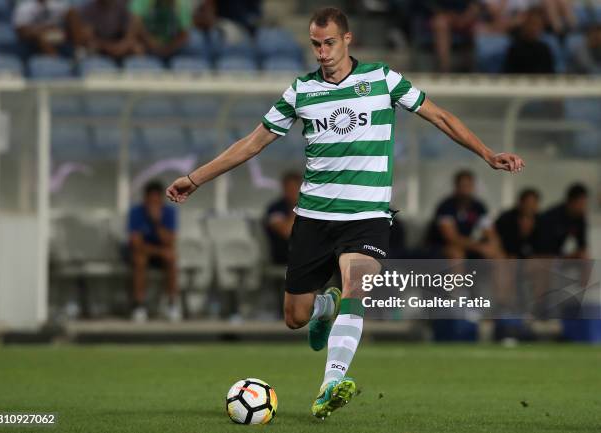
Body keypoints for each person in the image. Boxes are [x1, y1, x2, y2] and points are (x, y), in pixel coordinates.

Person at [166, 7, 524, 419]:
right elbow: (252, 143)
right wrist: (195, 178)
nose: (321, 52)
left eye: (329, 43)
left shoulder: (382, 79)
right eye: (315, 44)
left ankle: (330, 383)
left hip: (367, 214)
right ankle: (324, 306)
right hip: (314, 217)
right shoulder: (300, 91)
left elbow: (439, 116)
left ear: (347, 39)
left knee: (358, 285)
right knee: (295, 317)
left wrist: (487, 153)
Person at [128, 180, 179, 322]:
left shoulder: (169, 212)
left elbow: (169, 241)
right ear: (145, 199)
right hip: (142, 253)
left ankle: (172, 304)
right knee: (140, 260)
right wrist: (158, 251)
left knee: (171, 258)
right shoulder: (136, 212)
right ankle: (139, 306)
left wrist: (156, 222)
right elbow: (136, 243)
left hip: (160, 253)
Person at [427, 170, 504, 260]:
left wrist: (494, 246)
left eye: (468, 186)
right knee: (456, 254)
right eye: (462, 186)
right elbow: (451, 238)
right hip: (441, 246)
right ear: (456, 187)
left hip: (467, 245)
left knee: (498, 255)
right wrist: (480, 247)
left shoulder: (478, 206)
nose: (465, 190)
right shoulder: (445, 206)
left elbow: (490, 232)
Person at [71, 0, 143, 60]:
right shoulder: (87, 10)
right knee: (85, 50)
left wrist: (123, 46)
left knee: (137, 48)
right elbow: (87, 39)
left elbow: (129, 35)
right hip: (99, 49)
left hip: (119, 47)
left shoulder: (121, 8)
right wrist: (110, 48)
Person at [534, 183, 589, 258]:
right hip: (541, 255)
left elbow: (582, 245)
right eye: (581, 204)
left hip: (558, 256)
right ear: (571, 202)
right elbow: (543, 249)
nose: (583, 207)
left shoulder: (579, 217)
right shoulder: (551, 217)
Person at [264, 171, 302, 265]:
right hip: (285, 256)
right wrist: (298, 205)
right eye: (290, 188)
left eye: (296, 188)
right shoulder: (275, 209)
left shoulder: (311, 208)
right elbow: (287, 232)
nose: (293, 191)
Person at [504, 7, 555, 74]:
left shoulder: (544, 49)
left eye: (537, 25)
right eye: (532, 24)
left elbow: (550, 74)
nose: (534, 28)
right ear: (525, 25)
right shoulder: (515, 49)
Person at [495, 188, 540, 258]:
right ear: (521, 203)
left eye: (533, 203)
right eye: (528, 203)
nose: (530, 207)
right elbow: (495, 238)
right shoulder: (506, 218)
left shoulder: (541, 221)